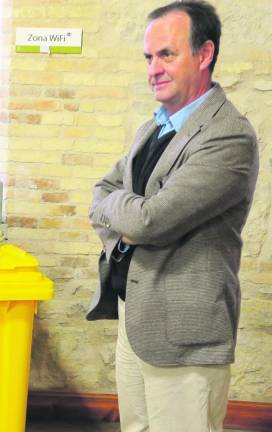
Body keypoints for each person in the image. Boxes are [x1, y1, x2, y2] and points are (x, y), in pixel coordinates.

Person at [86, 1, 258, 431]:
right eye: (149, 57)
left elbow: (152, 221)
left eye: (167, 54)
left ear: (204, 54)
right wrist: (127, 228)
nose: (154, 69)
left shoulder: (228, 136)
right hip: (136, 317)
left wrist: (128, 219)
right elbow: (98, 195)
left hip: (184, 334)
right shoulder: (154, 127)